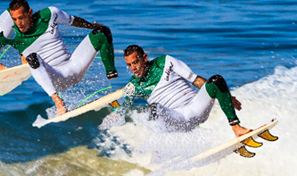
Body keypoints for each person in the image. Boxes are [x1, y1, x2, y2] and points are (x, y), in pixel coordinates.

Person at [108, 45, 273, 147]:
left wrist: (226, 96)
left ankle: (237, 128)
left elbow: (195, 80)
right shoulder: (133, 85)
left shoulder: (165, 62)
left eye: (135, 62)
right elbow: (124, 106)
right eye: (129, 65)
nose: (133, 68)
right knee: (153, 108)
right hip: (175, 120)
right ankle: (162, 149)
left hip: (195, 110)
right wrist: (113, 104)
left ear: (144, 58)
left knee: (216, 80)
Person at [0, 0, 117, 115]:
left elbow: (72, 20)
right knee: (32, 57)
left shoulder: (50, 14)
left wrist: (91, 27)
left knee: (102, 32)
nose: (18, 23)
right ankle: (59, 103)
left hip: (74, 65)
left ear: (30, 13)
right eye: (14, 19)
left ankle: (114, 82)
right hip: (55, 77)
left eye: (21, 18)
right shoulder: (14, 38)